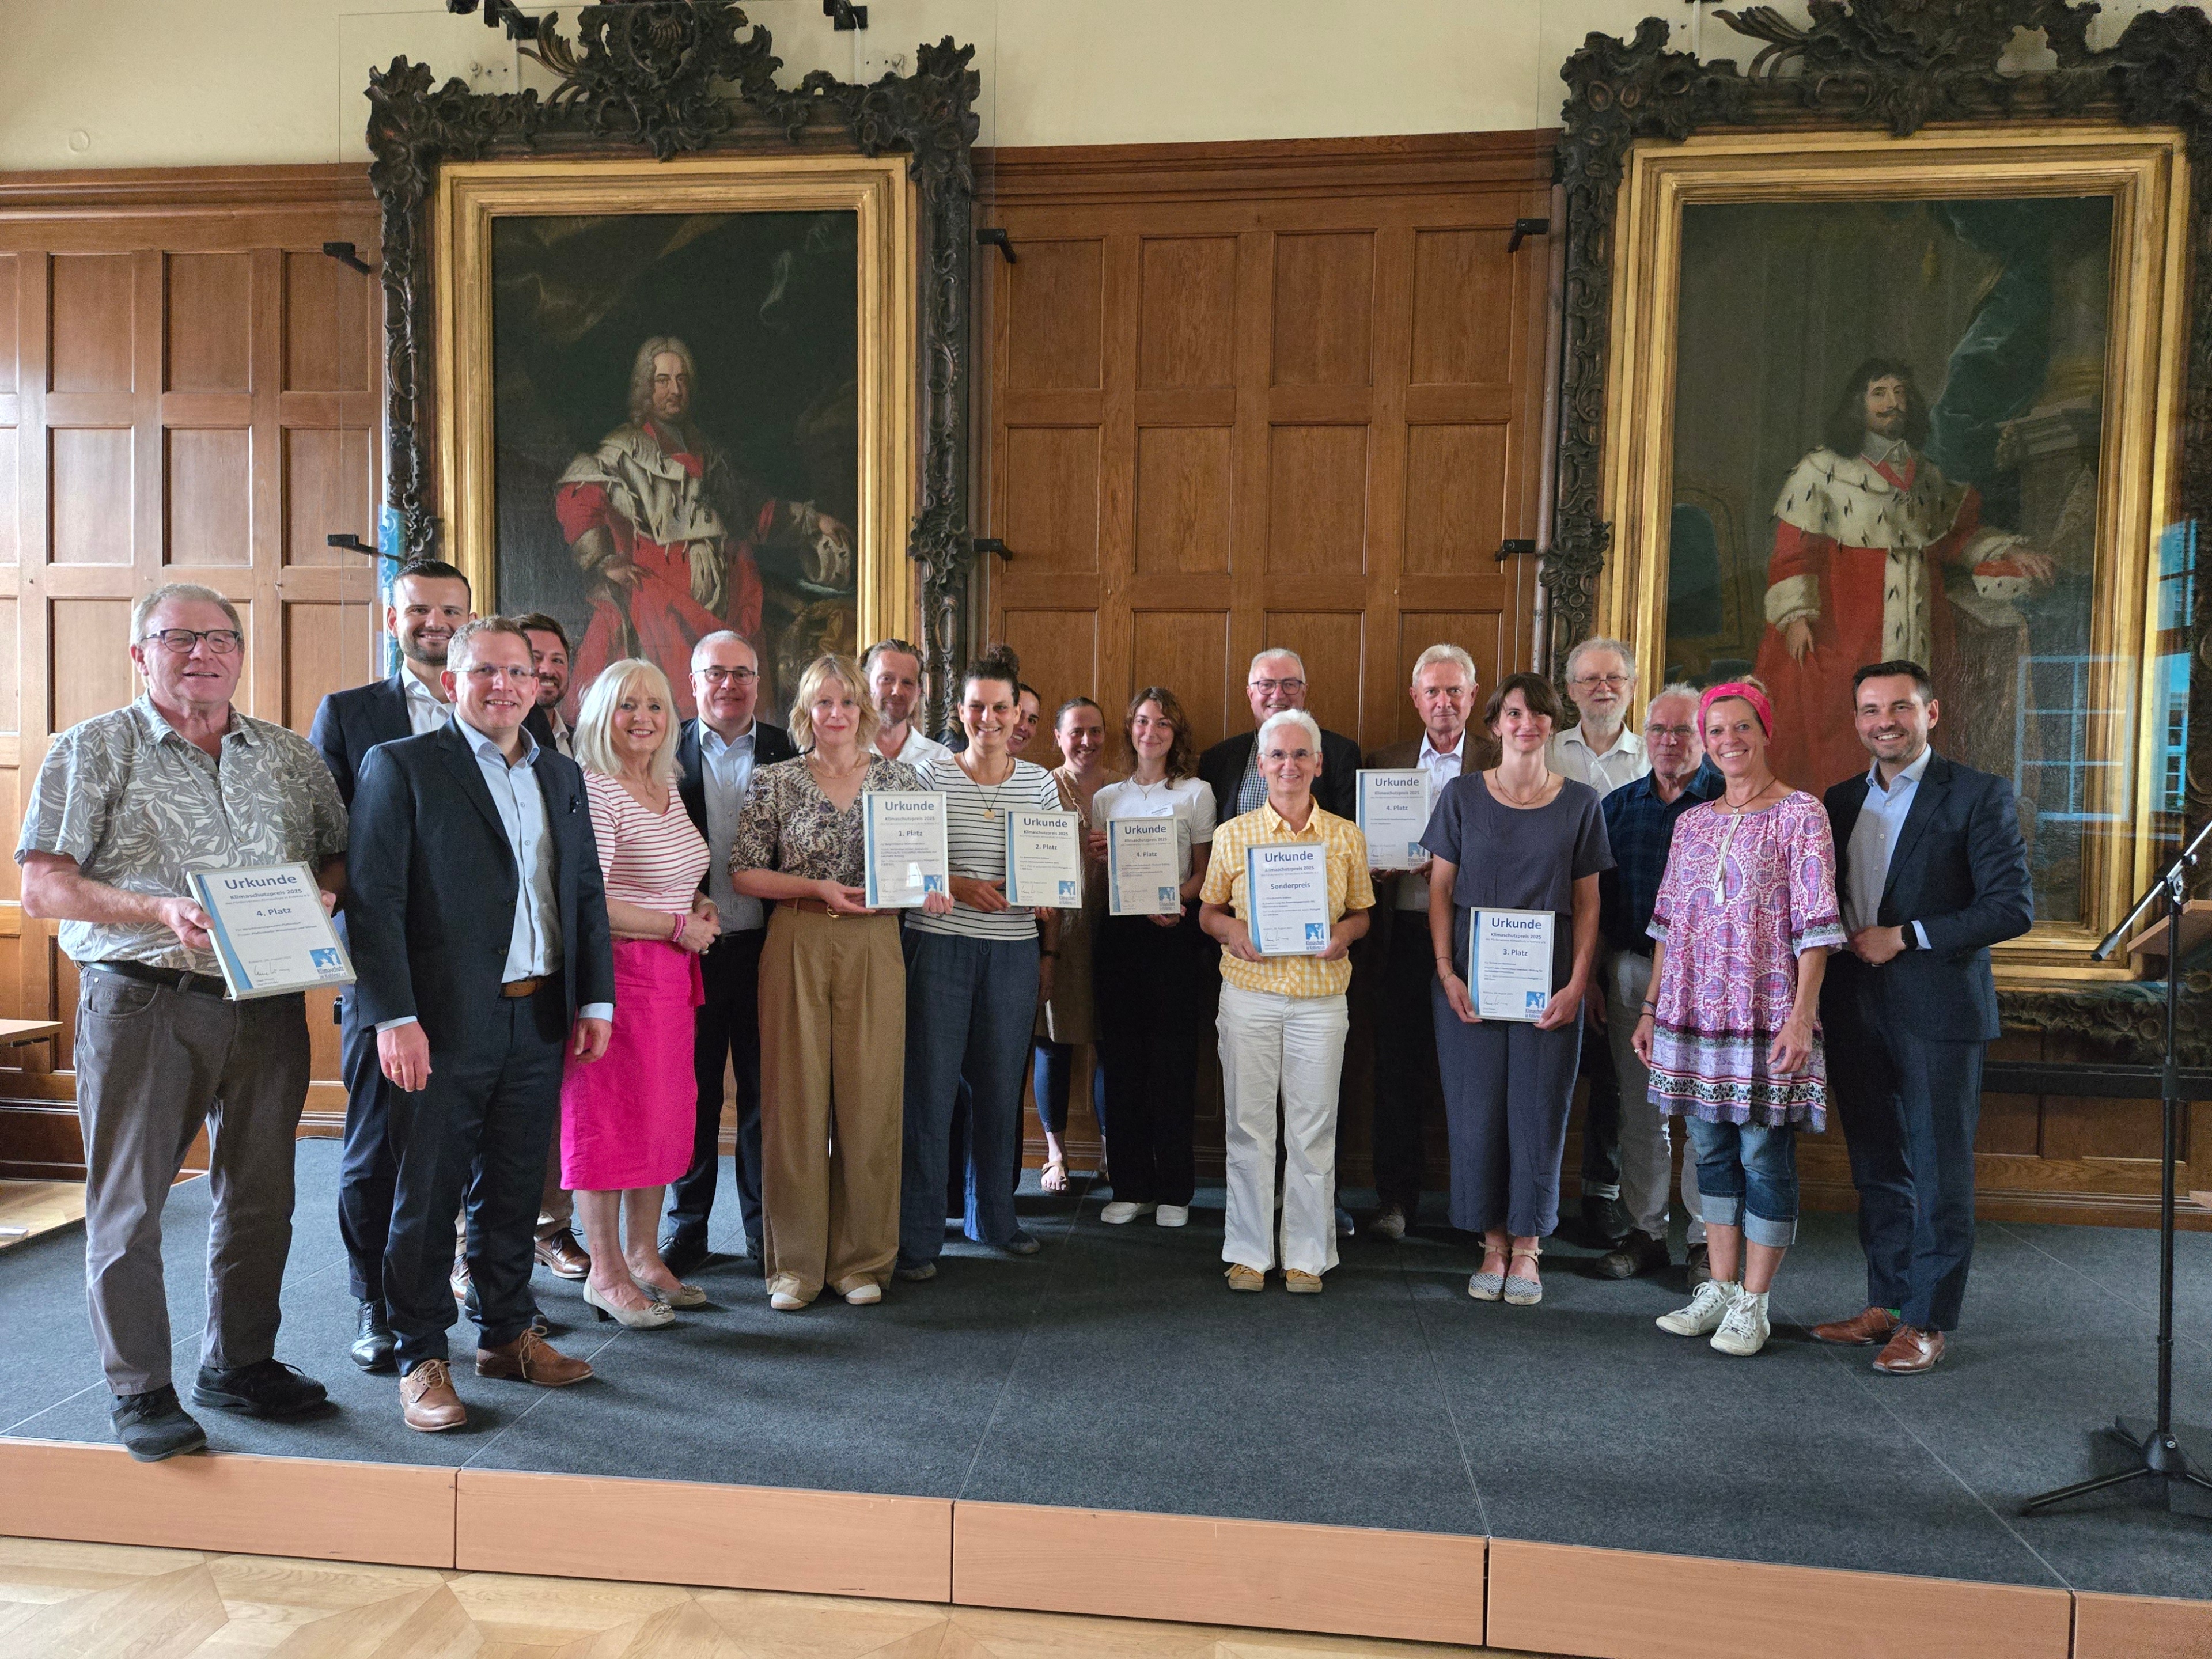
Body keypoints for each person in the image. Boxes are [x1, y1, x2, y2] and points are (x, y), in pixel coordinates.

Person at [17, 583, 349, 1460]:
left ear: (241, 652)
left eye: (219, 638)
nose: (201, 653)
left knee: (264, 1195)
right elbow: (43, 886)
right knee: (130, 1203)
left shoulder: (285, 755)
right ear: (141, 654)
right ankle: (139, 1388)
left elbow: (336, 850)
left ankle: (239, 1363)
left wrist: (324, 893)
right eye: (178, 639)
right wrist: (155, 909)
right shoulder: (94, 748)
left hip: (267, 1001)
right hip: (144, 1000)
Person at [346, 617, 615, 1431]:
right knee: (424, 1198)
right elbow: (374, 903)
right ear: (452, 681)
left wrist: (595, 999)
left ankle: (505, 1333)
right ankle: (421, 1353)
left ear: (539, 685)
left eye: (518, 673)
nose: (503, 687)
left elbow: (586, 895)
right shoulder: (401, 767)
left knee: (512, 1191)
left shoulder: (562, 774)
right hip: (439, 1025)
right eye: (484, 672)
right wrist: (393, 1018)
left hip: (537, 1017)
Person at [1811, 660, 2032, 1374]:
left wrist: (1906, 936)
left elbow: (2011, 907)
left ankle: (1929, 1321)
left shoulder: (1977, 795)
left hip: (1938, 1007)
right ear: (1857, 721)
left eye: (1900, 708)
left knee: (1939, 1168)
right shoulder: (1838, 800)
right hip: (1854, 1005)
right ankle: (1889, 1302)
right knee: (1879, 1166)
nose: (1885, 722)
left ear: (1930, 714)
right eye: (1871, 710)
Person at [730, 655, 949, 1308]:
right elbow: (744, 873)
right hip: (796, 937)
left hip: (875, 942)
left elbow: (924, 871)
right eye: (823, 703)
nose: (836, 715)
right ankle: (794, 1265)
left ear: (865, 709)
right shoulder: (775, 782)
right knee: (793, 1101)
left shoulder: (903, 780)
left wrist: (929, 890)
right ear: (807, 711)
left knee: (870, 1098)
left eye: (847, 703)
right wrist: (815, 886)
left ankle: (861, 1261)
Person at [1635, 681, 1844, 1359]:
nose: (1729, 741)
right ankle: (1719, 1289)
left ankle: (1755, 1301)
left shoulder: (1800, 815)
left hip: (1765, 1014)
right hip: (1691, 1013)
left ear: (1766, 731)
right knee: (1711, 1151)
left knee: (1763, 1152)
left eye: (1741, 727)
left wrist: (1802, 1018)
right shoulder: (1692, 823)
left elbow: (1817, 929)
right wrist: (1650, 1008)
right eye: (1716, 730)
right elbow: (1667, 925)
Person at [306, 558, 475, 1374]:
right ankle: (373, 1301)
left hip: (482, 979)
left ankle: (446, 1296)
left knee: (460, 1153)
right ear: (392, 620)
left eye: (451, 611)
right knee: (377, 1151)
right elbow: (329, 848)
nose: (435, 623)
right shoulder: (347, 714)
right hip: (386, 974)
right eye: (420, 610)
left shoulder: (506, 702)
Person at [1751, 357, 2055, 791]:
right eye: (1880, 393)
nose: (1893, 403)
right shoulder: (1820, 471)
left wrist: (2011, 551)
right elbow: (1794, 551)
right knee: (1838, 726)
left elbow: (1954, 536)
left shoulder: (1925, 477)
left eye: (1900, 393)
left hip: (1921, 628)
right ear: (1857, 404)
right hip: (1846, 624)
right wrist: (1796, 616)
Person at [1426, 673, 1610, 1308]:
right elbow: (1441, 891)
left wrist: (1580, 982)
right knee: (1477, 1114)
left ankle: (1528, 1246)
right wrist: (1446, 970)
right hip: (1470, 981)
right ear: (1496, 724)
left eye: (1537, 714)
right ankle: (1493, 1242)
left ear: (1552, 724)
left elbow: (1589, 906)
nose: (1525, 723)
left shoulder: (1582, 803)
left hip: (1552, 981)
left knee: (1538, 1114)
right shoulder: (1461, 795)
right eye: (1512, 713)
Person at [554, 335, 852, 721]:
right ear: (646, 387)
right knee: (666, 707)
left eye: (681, 380)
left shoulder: (708, 452)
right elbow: (578, 496)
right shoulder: (623, 448)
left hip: (723, 600)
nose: (674, 390)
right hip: (662, 600)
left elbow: (752, 511)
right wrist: (603, 558)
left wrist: (815, 520)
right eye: (662, 380)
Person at [898, 650, 1063, 1279]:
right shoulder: (924, 776)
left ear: (1019, 712)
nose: (989, 718)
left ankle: (994, 1217)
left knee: (999, 1089)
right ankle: (917, 1238)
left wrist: (1045, 891)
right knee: (930, 1091)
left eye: (1001, 707)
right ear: (959, 711)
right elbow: (903, 867)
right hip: (937, 945)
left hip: (1011, 952)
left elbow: (1051, 876)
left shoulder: (1041, 782)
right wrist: (961, 885)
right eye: (976, 706)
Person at [563, 658, 718, 1329]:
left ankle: (644, 1256)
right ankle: (604, 1272)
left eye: (655, 706)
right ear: (602, 714)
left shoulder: (662, 781)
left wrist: (698, 904)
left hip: (670, 979)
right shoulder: (597, 788)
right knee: (606, 1123)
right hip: (617, 980)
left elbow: (674, 870)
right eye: (628, 706)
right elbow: (588, 899)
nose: (644, 719)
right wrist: (679, 925)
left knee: (660, 1118)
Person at [1200, 709, 1374, 1292]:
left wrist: (1344, 936)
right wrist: (1232, 932)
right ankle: (1249, 1251)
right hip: (1249, 996)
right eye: (1278, 755)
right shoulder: (1232, 836)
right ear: (1261, 764)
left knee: (1311, 1130)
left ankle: (1307, 1254)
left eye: (1301, 755)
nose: (1289, 766)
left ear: (1319, 764)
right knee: (1248, 1128)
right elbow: (1208, 911)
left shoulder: (1346, 837)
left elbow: (1361, 914)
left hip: (1320, 1002)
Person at [664, 631, 797, 1277]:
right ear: (694, 682)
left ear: (757, 682)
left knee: (763, 1093)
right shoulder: (665, 748)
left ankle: (759, 1230)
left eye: (742, 673)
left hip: (770, 948)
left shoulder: (786, 750)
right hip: (689, 950)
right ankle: (687, 1229)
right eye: (716, 673)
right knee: (692, 1094)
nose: (730, 685)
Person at [1360, 645, 1492, 1241]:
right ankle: (1395, 1201)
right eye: (1432, 692)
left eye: (1455, 691)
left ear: (1473, 696)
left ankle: (1475, 1207)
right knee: (1397, 1074)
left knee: (1474, 1076)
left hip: (1474, 942)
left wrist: (1449, 867)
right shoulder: (1382, 762)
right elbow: (1352, 857)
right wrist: (1376, 867)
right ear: (1416, 699)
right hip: (1400, 940)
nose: (1444, 703)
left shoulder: (1499, 759)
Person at [1592, 684, 1719, 1282]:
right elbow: (1598, 903)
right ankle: (1645, 1232)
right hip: (1633, 971)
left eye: (1683, 732)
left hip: (1708, 981)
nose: (1669, 743)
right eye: (1659, 731)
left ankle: (1703, 1241)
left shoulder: (1730, 802)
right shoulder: (1618, 808)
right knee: (1640, 1111)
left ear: (1706, 737)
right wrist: (1596, 975)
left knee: (1701, 1116)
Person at [1090, 688, 1215, 1228]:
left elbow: (1205, 873)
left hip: (1173, 936)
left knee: (1172, 1063)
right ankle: (1130, 1184)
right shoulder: (1107, 798)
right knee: (1122, 1063)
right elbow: (1102, 876)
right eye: (1142, 721)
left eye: (1163, 722)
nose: (1151, 731)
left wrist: (1176, 902)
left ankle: (1175, 1190)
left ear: (1176, 733)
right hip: (1119, 939)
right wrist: (1097, 857)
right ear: (1130, 729)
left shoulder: (1196, 792)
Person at [1548, 636, 1647, 1250]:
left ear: (1632, 687)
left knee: (1616, 1071)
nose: (1602, 688)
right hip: (1551, 928)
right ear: (1569, 690)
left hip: (1629, 928)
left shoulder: (1654, 754)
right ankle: (1537, 1193)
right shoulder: (1548, 753)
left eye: (1614, 678)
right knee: (1552, 1061)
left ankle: (1603, 1193)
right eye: (1589, 679)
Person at [514, 611, 586, 1285]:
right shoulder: (506, 741)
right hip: (498, 965)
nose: (544, 671)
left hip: (561, 955)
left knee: (548, 1110)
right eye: (530, 658)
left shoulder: (576, 741)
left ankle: (549, 1229)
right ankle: (468, 1258)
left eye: (555, 659)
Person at [1033, 696, 1113, 1194]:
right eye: (1077, 732)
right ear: (1058, 738)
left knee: (1110, 1044)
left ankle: (1110, 1152)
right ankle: (1055, 1154)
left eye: (1096, 731)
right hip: (1057, 933)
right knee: (1053, 1043)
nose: (1087, 741)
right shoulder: (1043, 787)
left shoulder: (1124, 791)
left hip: (1113, 930)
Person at [1199, 648, 1359, 825]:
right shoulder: (1217, 759)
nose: (1278, 694)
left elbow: (1346, 830)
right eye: (1266, 685)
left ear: (1303, 692)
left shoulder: (1340, 754)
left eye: (1289, 684)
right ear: (1250, 694)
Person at [866, 637, 953, 770]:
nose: (897, 691)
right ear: (867, 684)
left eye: (907, 683)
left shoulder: (940, 759)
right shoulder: (844, 753)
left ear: (918, 692)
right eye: (886, 679)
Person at [517, 612, 576, 757]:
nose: (548, 670)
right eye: (535, 658)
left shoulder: (581, 742)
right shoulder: (494, 741)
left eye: (557, 660)